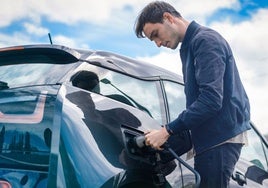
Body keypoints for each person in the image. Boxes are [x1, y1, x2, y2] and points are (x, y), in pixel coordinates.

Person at [134, 1, 251, 188]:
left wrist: (166, 131)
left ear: (168, 18)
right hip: (211, 139)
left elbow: (211, 100)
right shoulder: (190, 46)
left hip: (218, 139)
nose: (157, 44)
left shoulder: (205, 41)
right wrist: (162, 134)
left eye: (155, 34)